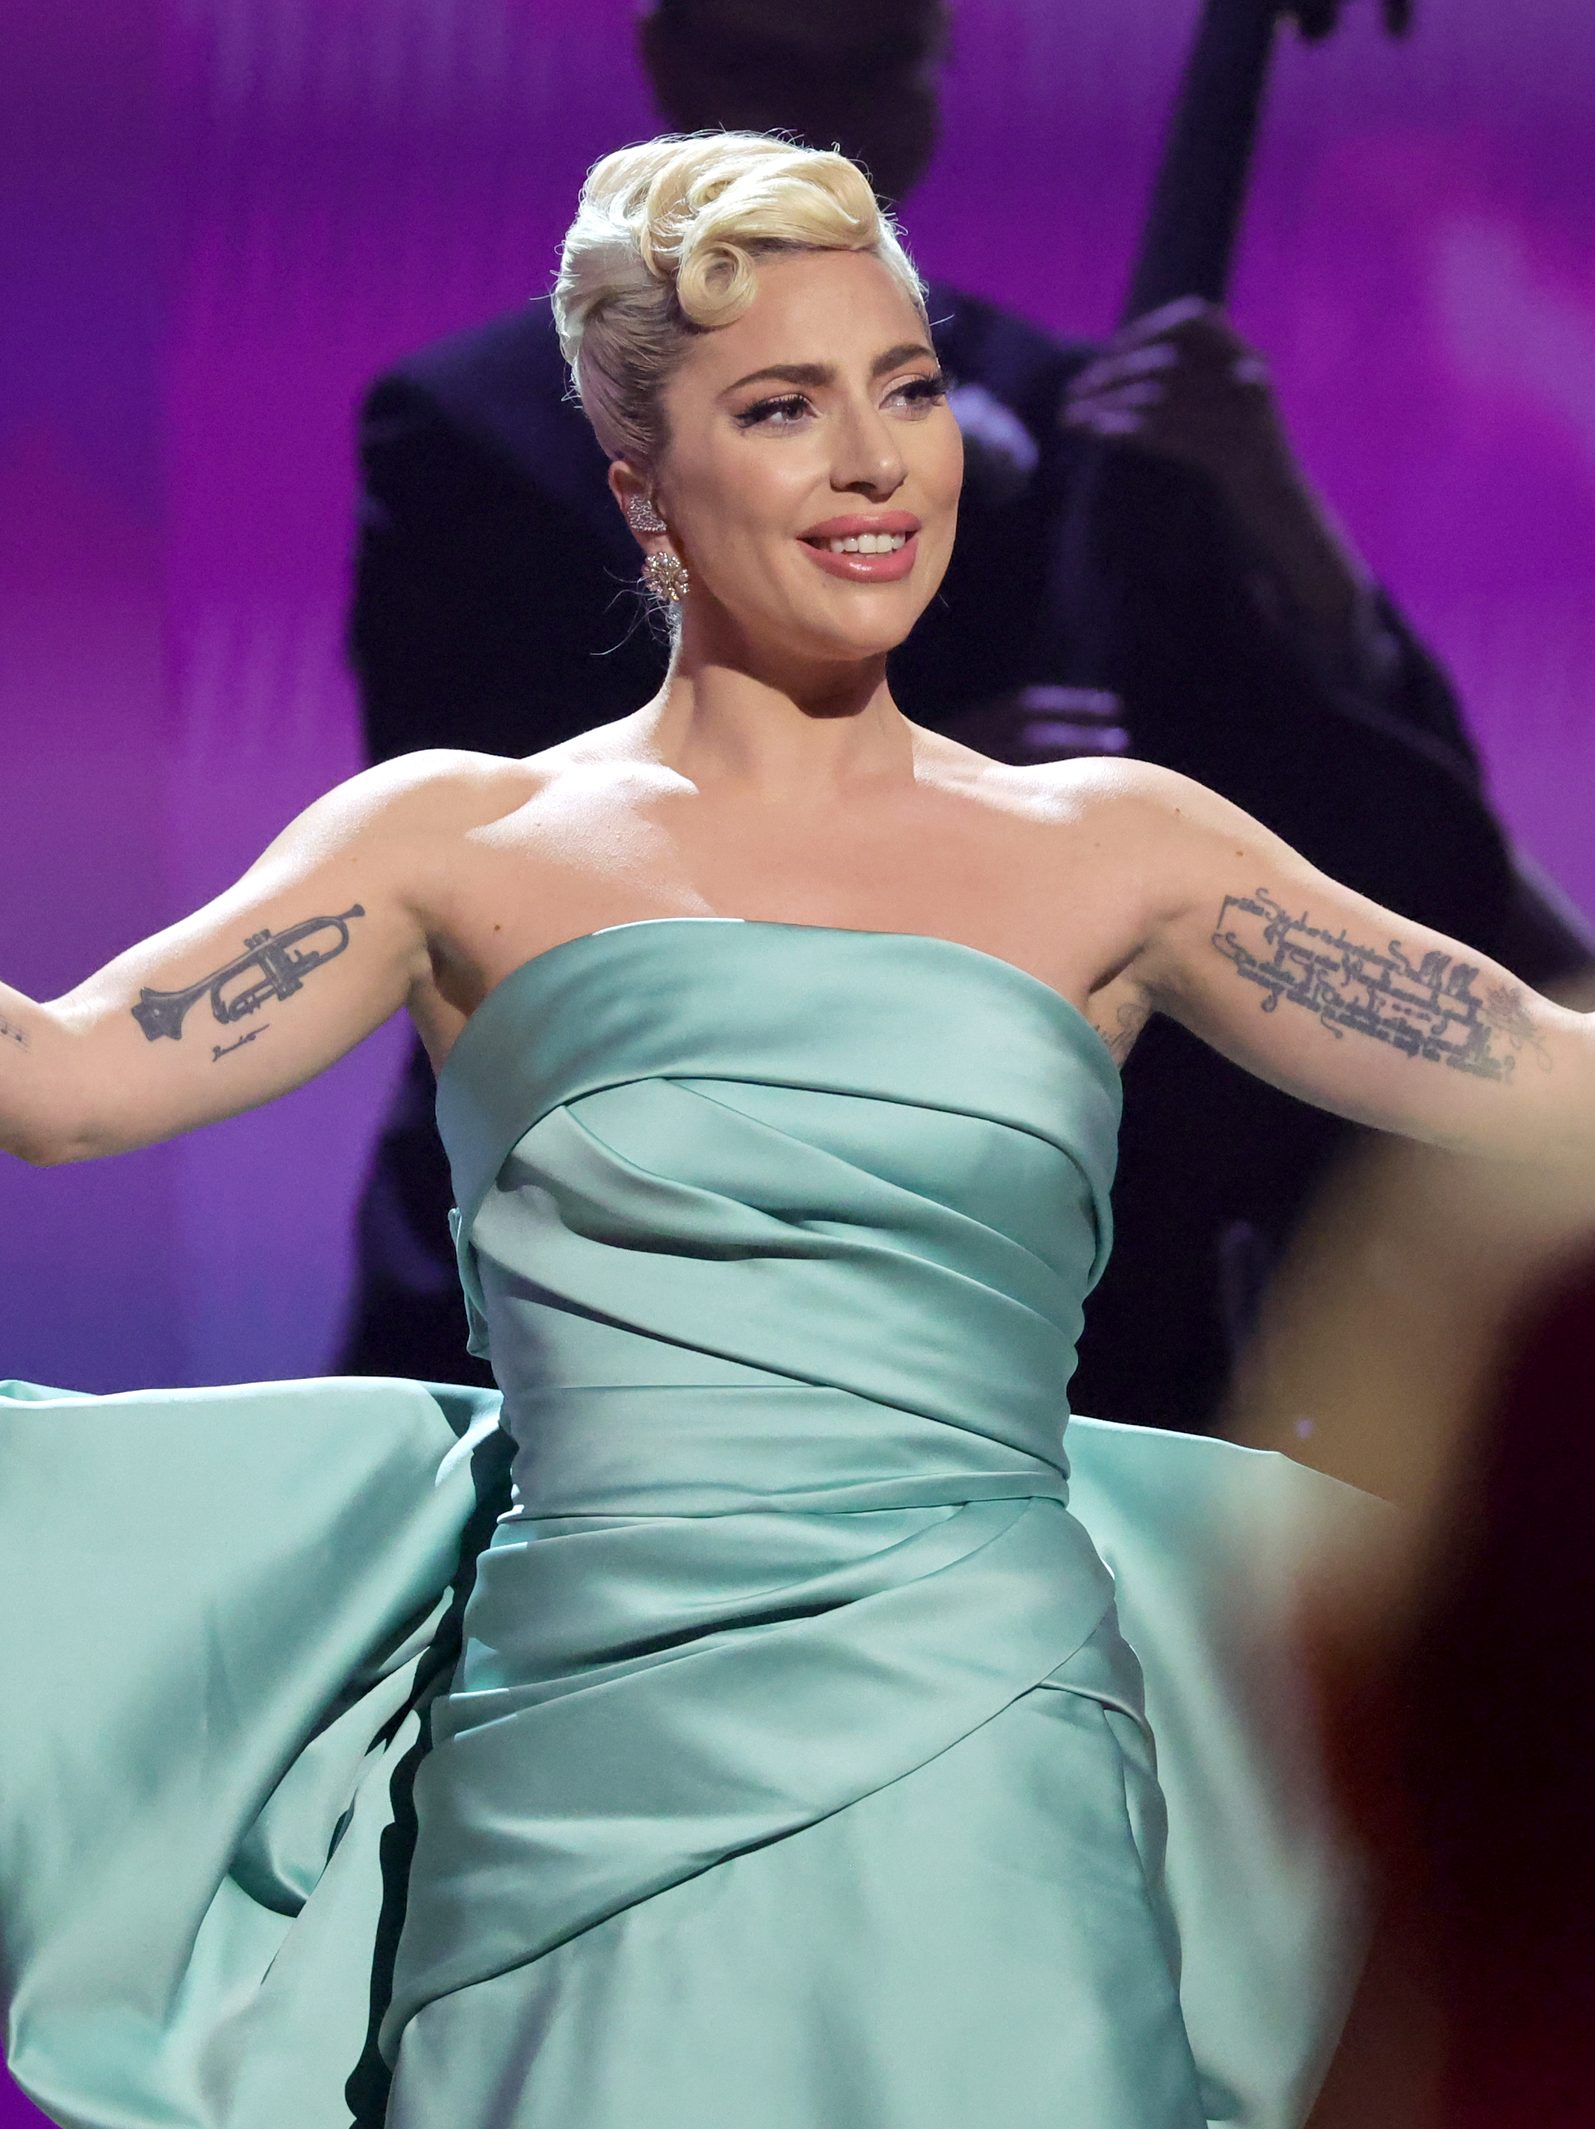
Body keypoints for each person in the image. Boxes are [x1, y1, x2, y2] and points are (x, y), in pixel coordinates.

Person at [1, 132, 1589, 2129]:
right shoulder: (458, 842)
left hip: (993, 1782)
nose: (876, 463)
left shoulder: (1120, 850)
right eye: (783, 406)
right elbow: (59, 1083)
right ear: (643, 492)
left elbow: (1545, 1085)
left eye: (908, 389)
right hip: (580, 1798)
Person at [336, 0, 1595, 1434]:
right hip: (589, 1277)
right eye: (767, 78)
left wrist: (1285, 526)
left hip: (1020, 1319)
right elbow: (486, 843)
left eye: (864, 73)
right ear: (669, 62)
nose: (816, 134)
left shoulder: (1081, 414)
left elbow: (1401, 825)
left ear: (936, 83)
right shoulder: (479, 428)